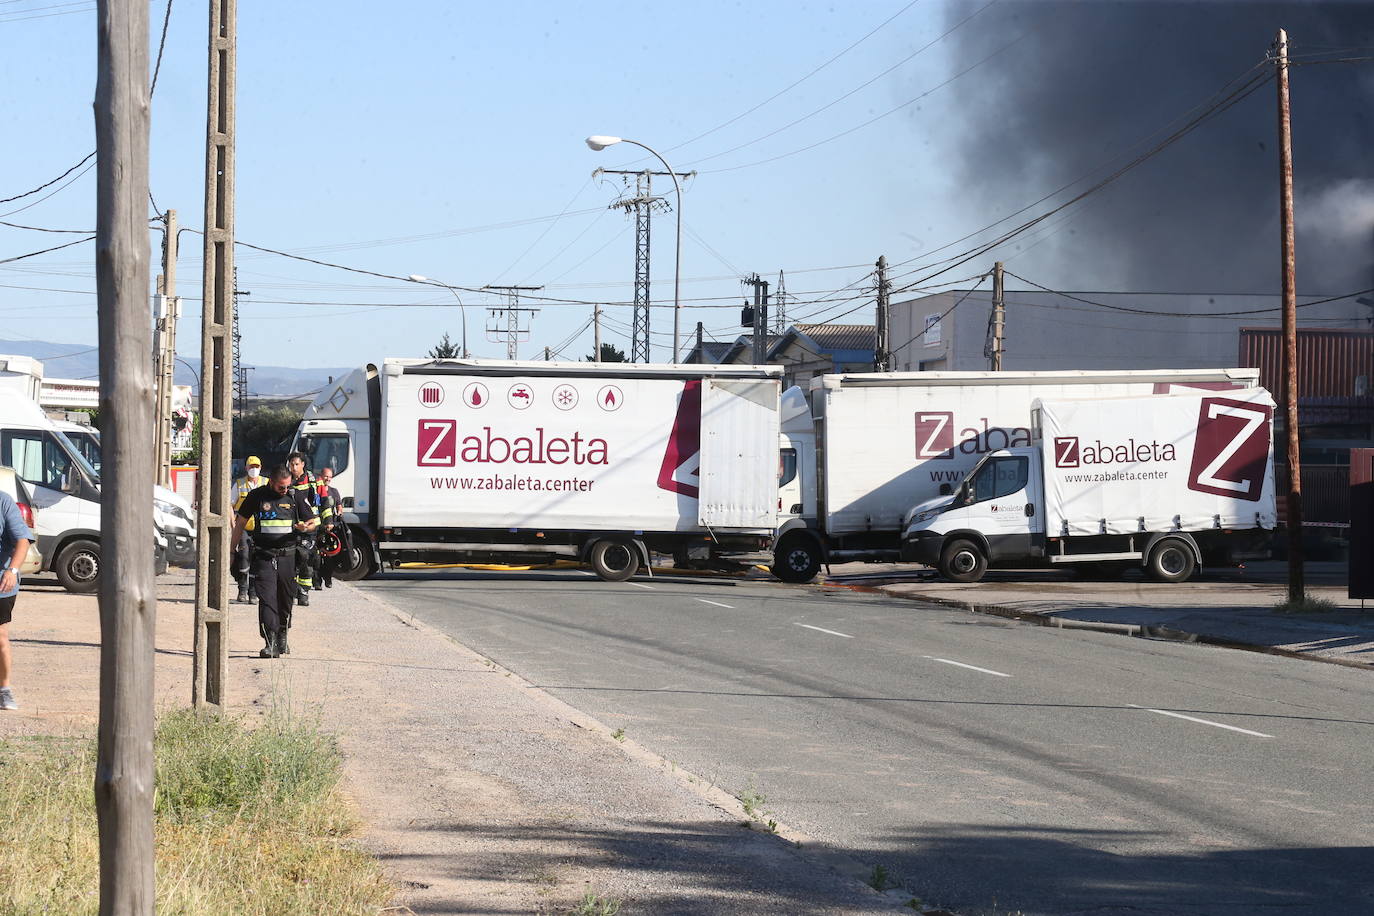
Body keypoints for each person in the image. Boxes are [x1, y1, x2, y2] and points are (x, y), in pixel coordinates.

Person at [231, 465, 317, 659]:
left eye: (287, 486)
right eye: (281, 487)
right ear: (271, 481)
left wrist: (305, 527)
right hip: (264, 555)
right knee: (267, 598)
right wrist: (231, 550)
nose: (284, 490)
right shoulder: (257, 496)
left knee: (285, 598)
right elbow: (240, 523)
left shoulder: (295, 496)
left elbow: (313, 521)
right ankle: (269, 641)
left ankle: (283, 633)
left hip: (288, 556)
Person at [0, 489, 35, 710]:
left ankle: (4, 689)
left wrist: (12, 570)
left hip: (2, 583)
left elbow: (23, 540)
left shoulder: (3, 501)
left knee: (1, 637)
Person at [230, 455, 263, 603]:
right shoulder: (239, 484)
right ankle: (242, 589)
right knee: (243, 557)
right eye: (251, 467)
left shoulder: (266, 483)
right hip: (243, 527)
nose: (254, 469)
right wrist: (233, 523)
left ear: (260, 468)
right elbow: (230, 505)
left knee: (257, 558)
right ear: (246, 468)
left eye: (256, 467)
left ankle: (253, 592)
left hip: (260, 529)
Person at [286, 451, 317, 606]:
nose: (294, 467)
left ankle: (304, 592)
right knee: (290, 559)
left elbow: (322, 501)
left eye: (296, 464)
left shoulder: (311, 480)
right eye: (291, 464)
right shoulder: (286, 480)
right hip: (290, 525)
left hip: (309, 524)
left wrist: (327, 521)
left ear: (303, 464)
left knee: (305, 557)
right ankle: (291, 590)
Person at [314, 466, 344, 589]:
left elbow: (339, 505)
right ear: (321, 476)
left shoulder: (334, 491)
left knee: (329, 557)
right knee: (316, 556)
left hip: (330, 528)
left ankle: (328, 579)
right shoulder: (315, 490)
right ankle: (317, 582)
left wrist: (339, 513)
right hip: (317, 527)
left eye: (330, 477)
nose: (328, 479)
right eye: (326, 476)